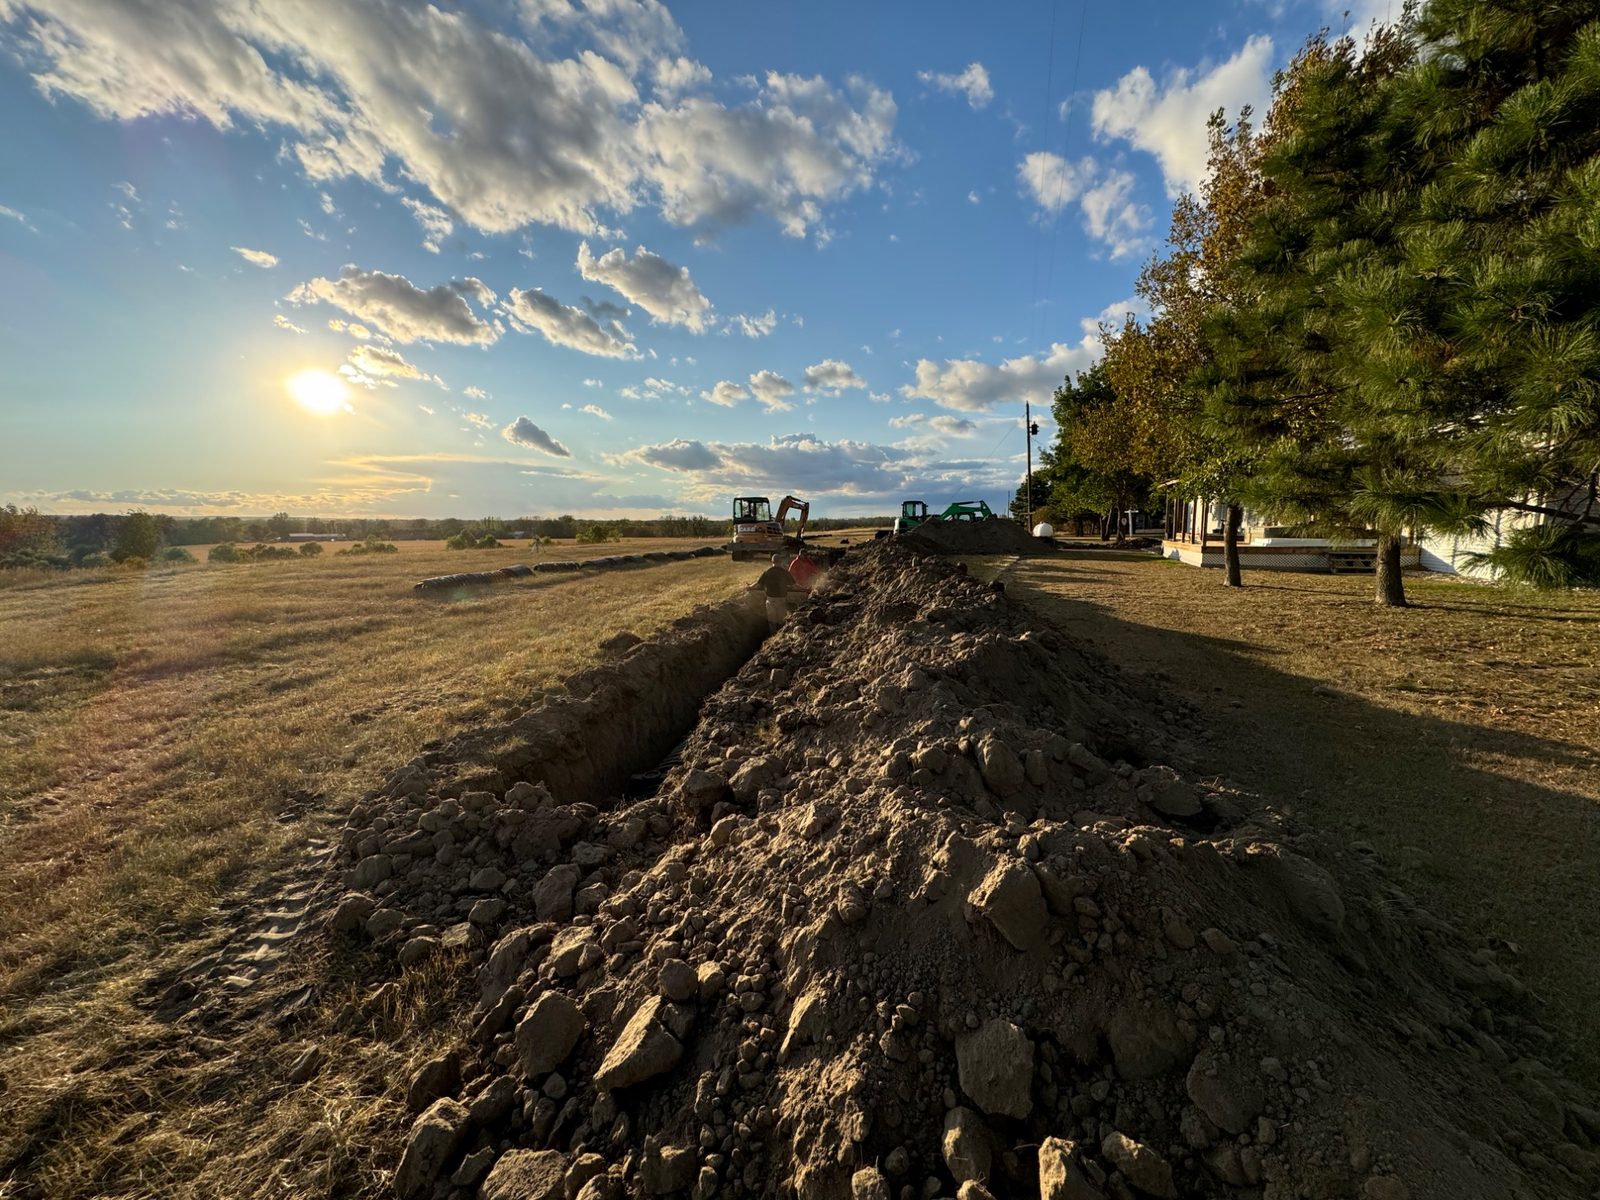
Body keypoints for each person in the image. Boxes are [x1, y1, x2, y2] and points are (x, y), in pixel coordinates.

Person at [754, 552, 794, 631]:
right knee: (782, 621)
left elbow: (758, 584)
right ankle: (780, 637)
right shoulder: (785, 572)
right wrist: (804, 588)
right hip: (782, 599)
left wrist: (749, 587)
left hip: (770, 600)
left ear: (772, 561)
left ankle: (772, 636)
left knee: (772, 621)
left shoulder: (767, 572)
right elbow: (794, 585)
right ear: (780, 561)